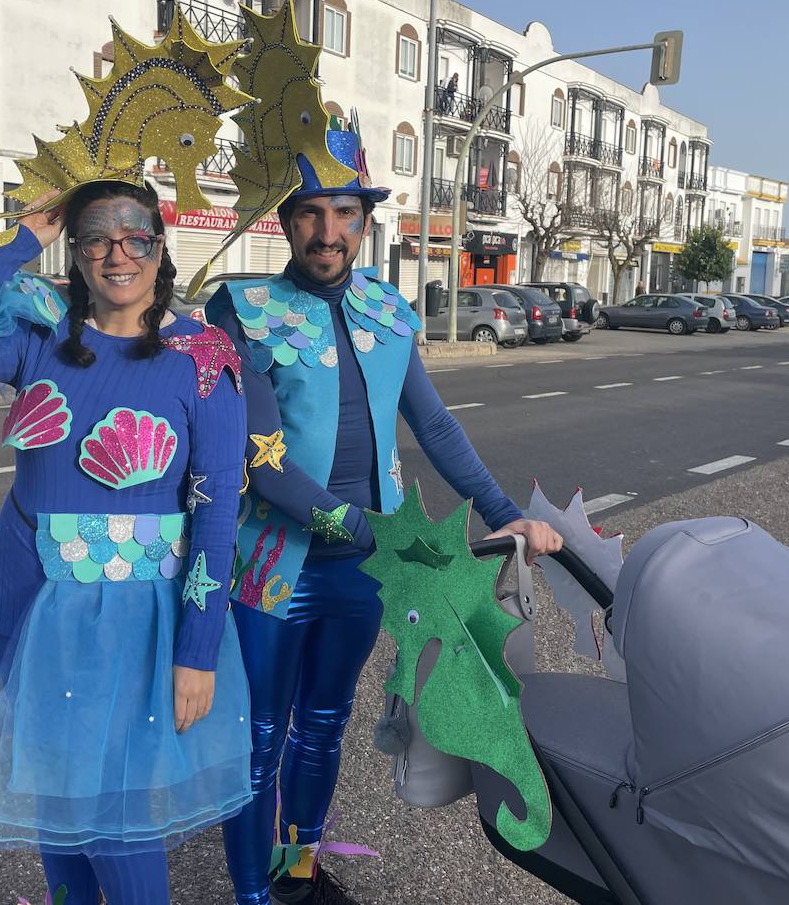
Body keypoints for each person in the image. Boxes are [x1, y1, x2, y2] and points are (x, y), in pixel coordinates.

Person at [208, 124, 562, 905]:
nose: (327, 232)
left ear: (364, 222)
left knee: (323, 726)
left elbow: (435, 428)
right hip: (273, 567)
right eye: (309, 212)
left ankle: (294, 874)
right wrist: (383, 536)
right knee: (256, 740)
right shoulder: (244, 309)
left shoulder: (388, 309)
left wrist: (504, 516)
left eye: (343, 213)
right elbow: (264, 460)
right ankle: (251, 894)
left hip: (362, 578)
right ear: (284, 219)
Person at [0, 181, 252, 905]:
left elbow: (216, 513)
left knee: (115, 818)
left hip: (135, 611)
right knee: (58, 799)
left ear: (160, 246)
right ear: (75, 251)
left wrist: (197, 649)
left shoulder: (203, 359)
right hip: (27, 593)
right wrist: (25, 236)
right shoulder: (40, 340)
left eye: (135, 237)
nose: (116, 254)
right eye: (95, 236)